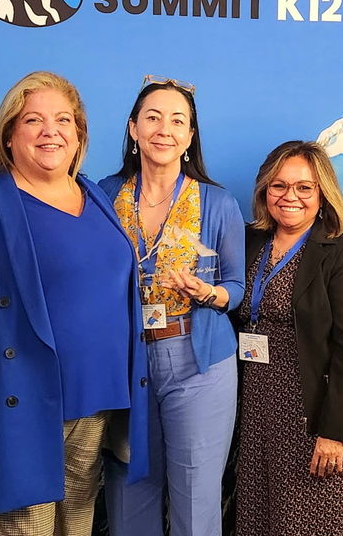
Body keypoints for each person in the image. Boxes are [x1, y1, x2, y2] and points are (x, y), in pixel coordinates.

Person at [0, 72, 149, 535]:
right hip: (18, 400)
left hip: (95, 402)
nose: (49, 131)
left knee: (73, 526)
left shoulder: (95, 194)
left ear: (78, 135)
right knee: (15, 524)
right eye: (33, 120)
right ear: (9, 134)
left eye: (63, 120)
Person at [99, 75, 245, 536]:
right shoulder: (103, 195)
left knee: (197, 498)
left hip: (198, 363)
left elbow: (236, 285)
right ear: (133, 128)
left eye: (177, 120)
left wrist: (210, 295)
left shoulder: (218, 203)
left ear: (190, 136)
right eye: (153, 118)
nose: (164, 128)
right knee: (128, 486)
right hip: (127, 362)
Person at [233, 141, 343, 536]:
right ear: (264, 191)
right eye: (278, 186)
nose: (289, 196)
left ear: (322, 193)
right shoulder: (248, 243)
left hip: (315, 416)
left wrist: (335, 430)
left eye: (304, 187)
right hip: (257, 414)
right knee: (258, 523)